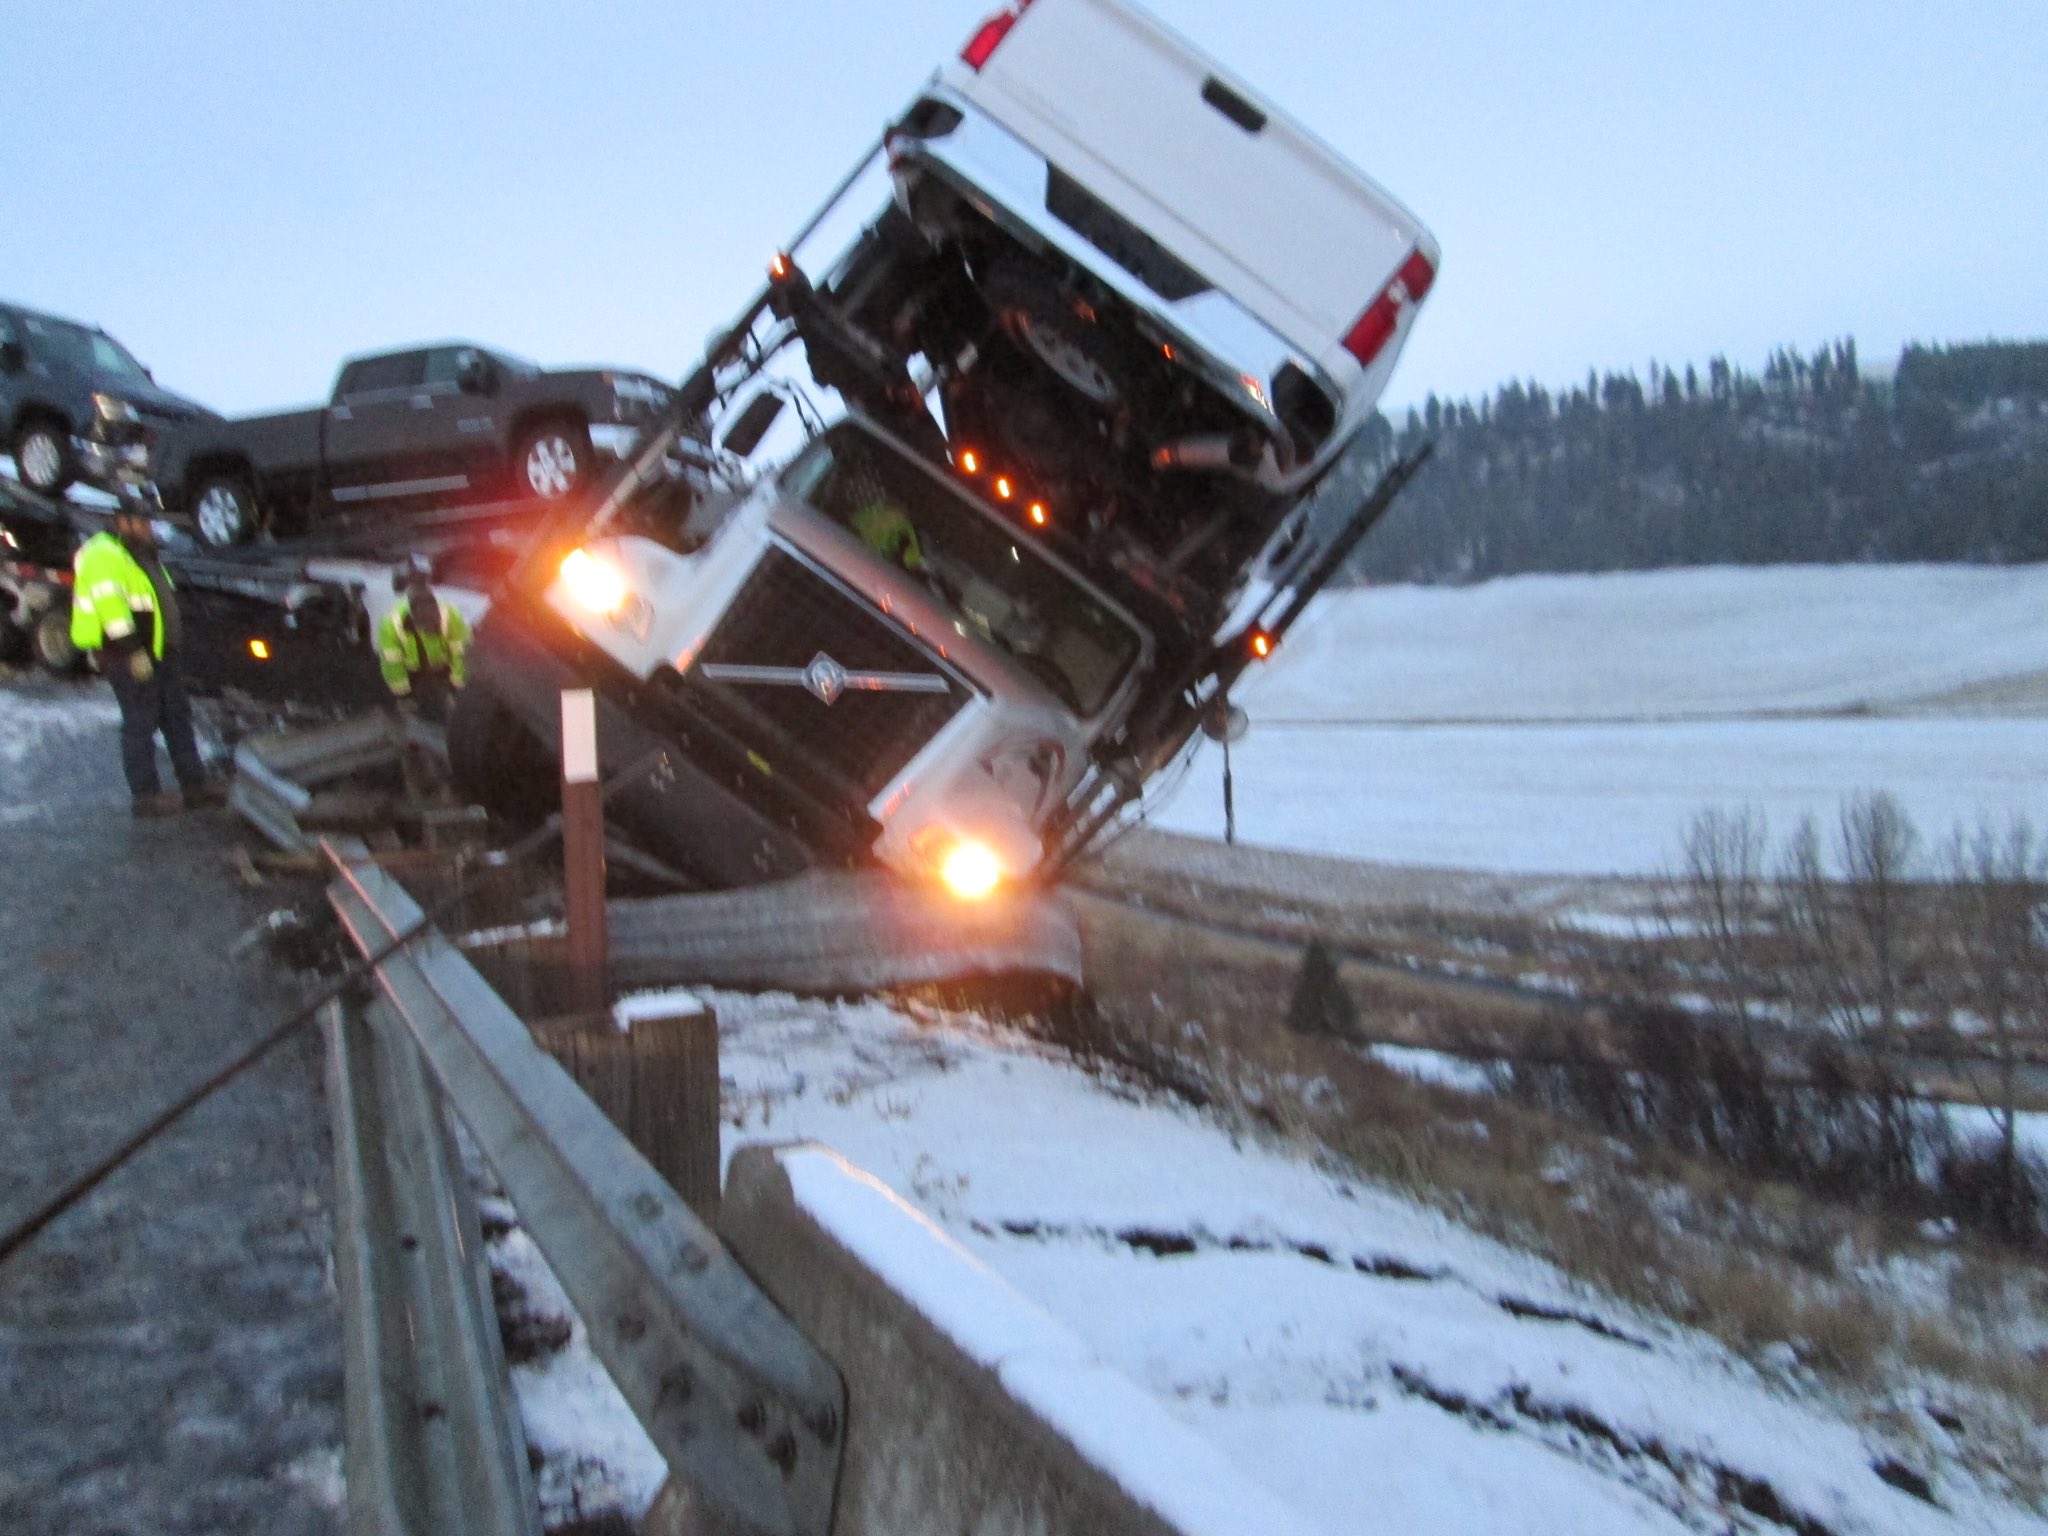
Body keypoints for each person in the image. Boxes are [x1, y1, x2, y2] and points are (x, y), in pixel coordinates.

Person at [70, 506, 219, 817]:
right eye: (144, 522)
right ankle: (146, 796)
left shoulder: (141, 554)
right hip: (126, 654)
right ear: (124, 523)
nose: (150, 528)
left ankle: (195, 785)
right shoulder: (103, 555)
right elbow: (112, 610)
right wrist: (133, 652)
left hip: (159, 652)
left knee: (176, 716)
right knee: (141, 721)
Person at [377, 555, 471, 723]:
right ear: (412, 620)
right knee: (409, 710)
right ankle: (409, 722)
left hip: (442, 664)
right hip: (412, 669)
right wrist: (404, 694)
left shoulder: (451, 617)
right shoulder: (392, 624)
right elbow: (392, 663)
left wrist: (457, 687)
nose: (429, 628)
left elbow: (462, 654)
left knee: (457, 708)